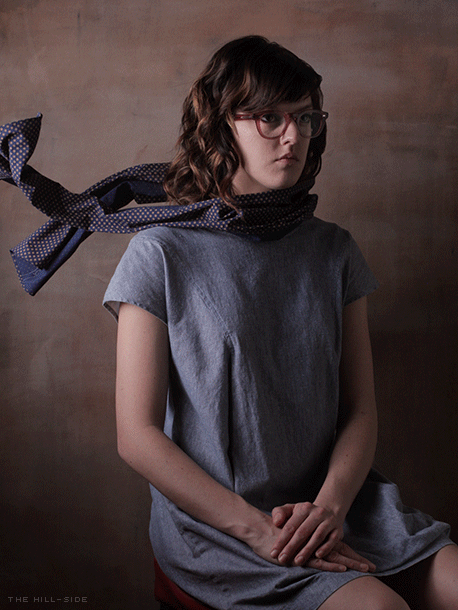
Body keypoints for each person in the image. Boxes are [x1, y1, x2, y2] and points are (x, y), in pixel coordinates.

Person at [103, 36, 457, 610]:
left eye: (305, 118)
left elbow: (360, 410)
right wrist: (258, 530)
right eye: (270, 118)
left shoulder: (335, 250)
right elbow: (136, 436)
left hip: (338, 504)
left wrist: (330, 509)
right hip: (222, 525)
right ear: (223, 125)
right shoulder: (159, 252)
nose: (293, 136)